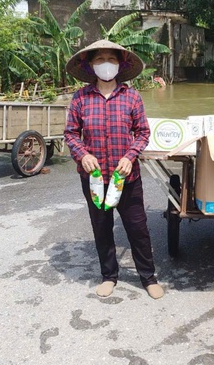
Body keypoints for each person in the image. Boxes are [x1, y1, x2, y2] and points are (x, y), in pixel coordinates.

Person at [64, 39, 164, 300]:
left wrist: (131, 156)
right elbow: (71, 134)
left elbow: (143, 133)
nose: (105, 64)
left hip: (125, 177)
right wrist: (82, 154)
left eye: (111, 59)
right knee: (102, 227)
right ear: (91, 65)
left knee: (137, 228)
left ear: (120, 65)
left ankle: (148, 277)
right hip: (95, 178)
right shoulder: (80, 98)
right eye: (99, 59)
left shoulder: (131, 96)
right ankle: (109, 276)